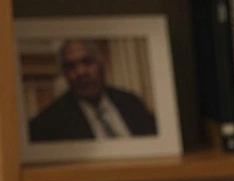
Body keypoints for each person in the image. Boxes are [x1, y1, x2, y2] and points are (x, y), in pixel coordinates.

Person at [28, 39, 158, 142]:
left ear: (101, 64)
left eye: (87, 62)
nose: (81, 72)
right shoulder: (48, 124)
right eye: (71, 67)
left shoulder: (131, 103)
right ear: (64, 74)